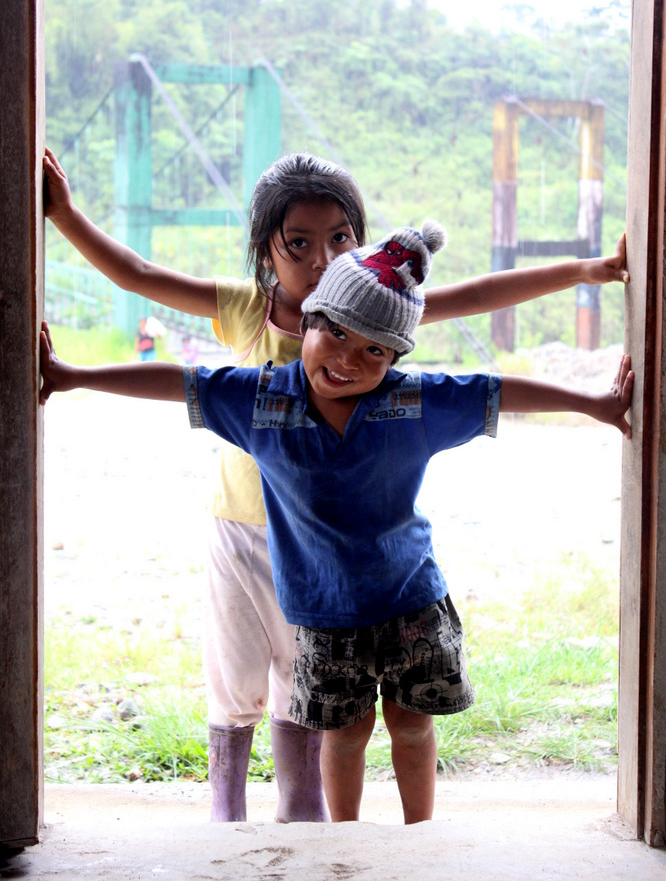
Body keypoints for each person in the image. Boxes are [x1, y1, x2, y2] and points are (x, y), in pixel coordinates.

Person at [42, 146, 629, 824]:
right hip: (243, 529)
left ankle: (309, 823)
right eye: (299, 243)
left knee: (315, 696)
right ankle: (226, 822)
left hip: (337, 558)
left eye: (339, 239)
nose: (320, 260)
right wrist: (63, 221)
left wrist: (591, 272)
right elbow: (142, 288)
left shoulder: (376, 310)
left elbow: (480, 303)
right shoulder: (251, 322)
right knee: (235, 686)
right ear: (266, 250)